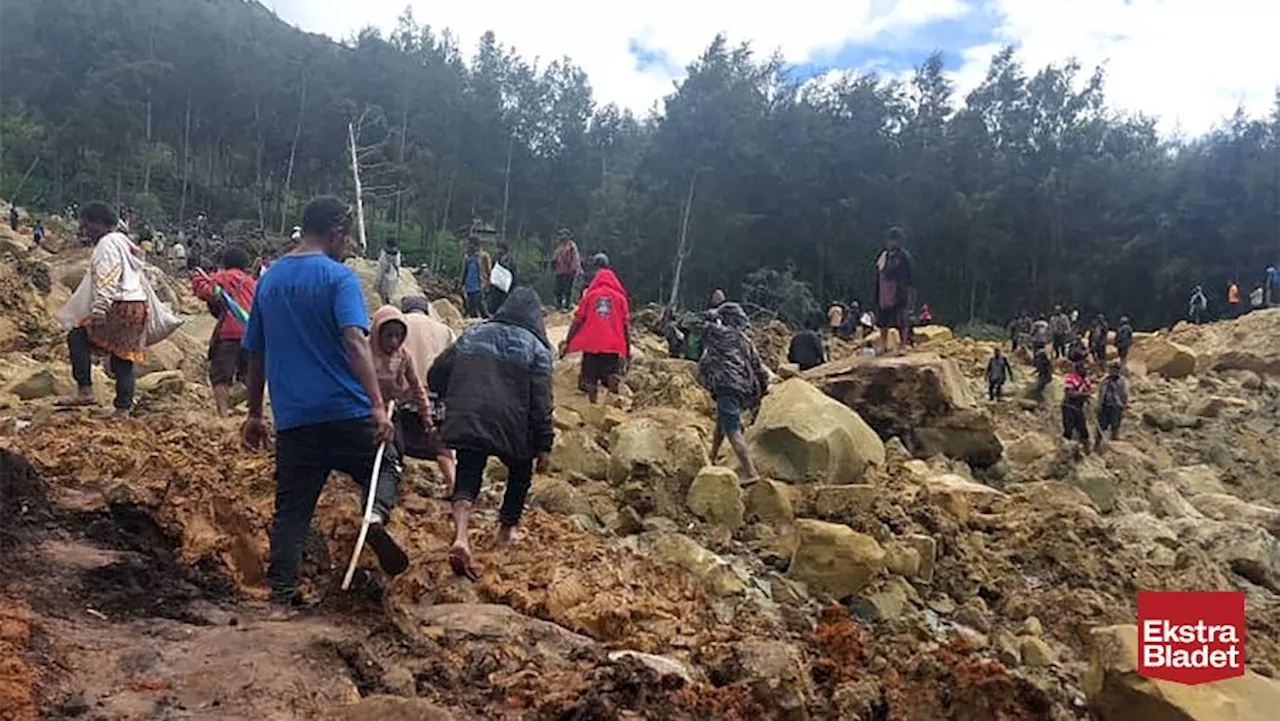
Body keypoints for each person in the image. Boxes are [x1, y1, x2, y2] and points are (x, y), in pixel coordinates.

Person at [240, 196, 408, 616]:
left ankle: (280, 600)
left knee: (292, 512)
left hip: (295, 419)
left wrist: (255, 414)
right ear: (335, 232)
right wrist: (376, 405)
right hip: (346, 410)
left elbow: (255, 355)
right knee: (386, 460)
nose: (347, 246)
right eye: (346, 238)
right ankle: (374, 516)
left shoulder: (270, 280)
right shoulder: (339, 279)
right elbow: (354, 340)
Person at [428, 287, 554, 580]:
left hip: (470, 416)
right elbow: (542, 400)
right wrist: (544, 443)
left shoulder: (474, 334)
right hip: (513, 425)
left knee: (469, 471)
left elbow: (437, 372)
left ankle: (461, 536)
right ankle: (506, 530)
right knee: (520, 473)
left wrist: (448, 399)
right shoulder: (538, 348)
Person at [54, 203, 148, 417]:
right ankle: (123, 409)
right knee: (122, 358)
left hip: (118, 305)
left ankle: (85, 390)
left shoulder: (107, 244)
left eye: (88, 226)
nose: (86, 231)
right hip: (137, 305)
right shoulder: (126, 243)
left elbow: (109, 275)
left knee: (77, 337)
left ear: (99, 224)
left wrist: (99, 308)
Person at [694, 302, 769, 484]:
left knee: (733, 430)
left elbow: (688, 321)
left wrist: (711, 314)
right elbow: (759, 368)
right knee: (722, 424)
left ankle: (750, 472)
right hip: (742, 387)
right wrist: (762, 392)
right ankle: (711, 458)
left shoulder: (717, 332)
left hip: (726, 385)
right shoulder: (745, 339)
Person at [398, 296, 457, 494]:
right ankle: (453, 486)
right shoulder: (444, 330)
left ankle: (393, 484)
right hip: (436, 398)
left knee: (395, 443)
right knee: (442, 449)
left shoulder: (398, 324)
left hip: (405, 396)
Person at [191, 246, 257, 417]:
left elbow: (206, 292)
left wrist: (197, 279)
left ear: (225, 262)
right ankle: (249, 411)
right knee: (247, 373)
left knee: (221, 376)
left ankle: (223, 414)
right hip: (250, 332)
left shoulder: (222, 277)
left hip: (228, 332)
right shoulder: (251, 282)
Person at [563, 254, 631, 404]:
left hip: (591, 344)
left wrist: (568, 342)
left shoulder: (590, 296)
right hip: (612, 345)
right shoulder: (620, 298)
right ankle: (612, 407)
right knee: (610, 375)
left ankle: (592, 405)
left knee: (588, 380)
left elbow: (577, 321)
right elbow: (626, 325)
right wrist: (627, 349)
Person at [875, 227, 915, 353]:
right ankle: (883, 345)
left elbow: (911, 273)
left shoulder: (904, 256)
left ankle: (903, 345)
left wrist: (908, 288)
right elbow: (880, 273)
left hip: (899, 291)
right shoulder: (884, 256)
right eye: (890, 240)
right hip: (884, 293)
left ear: (899, 241)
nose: (891, 243)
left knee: (901, 319)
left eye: (894, 240)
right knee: (883, 320)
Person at [1095, 361, 1128, 446]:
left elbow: (1124, 394)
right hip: (1105, 406)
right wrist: (1098, 405)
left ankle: (1114, 441)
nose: (1113, 372)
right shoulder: (1104, 380)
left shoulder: (1122, 381)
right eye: (1112, 369)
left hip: (1116, 406)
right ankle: (1097, 443)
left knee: (1115, 424)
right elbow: (1099, 393)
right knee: (1101, 426)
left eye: (1116, 370)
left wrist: (1124, 405)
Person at [1062, 362, 1093, 451]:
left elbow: (1089, 391)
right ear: (1078, 370)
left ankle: (1086, 450)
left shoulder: (1086, 380)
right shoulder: (1071, 378)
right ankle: (1065, 449)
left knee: (1083, 430)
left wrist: (1087, 395)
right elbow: (1069, 393)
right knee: (1068, 429)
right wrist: (1083, 395)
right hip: (1069, 407)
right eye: (1084, 369)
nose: (1086, 371)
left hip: (1079, 408)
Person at [460, 237, 492, 319]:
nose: (468, 246)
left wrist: (488, 283)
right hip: (469, 284)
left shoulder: (483, 256)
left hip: (479, 284)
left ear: (474, 245)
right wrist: (461, 283)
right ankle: (473, 318)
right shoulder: (467, 256)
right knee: (470, 304)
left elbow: (488, 271)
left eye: (469, 244)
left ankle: (486, 318)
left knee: (479, 303)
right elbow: (464, 271)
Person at [552, 228, 581, 312]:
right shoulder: (559, 246)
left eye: (563, 235)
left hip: (568, 271)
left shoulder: (571, 246)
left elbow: (576, 258)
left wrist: (575, 269)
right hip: (559, 271)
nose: (561, 236)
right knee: (558, 289)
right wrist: (553, 263)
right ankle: (558, 305)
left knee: (567, 289)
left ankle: (567, 305)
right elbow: (555, 256)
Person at [487, 242, 515, 315]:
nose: (498, 251)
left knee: (503, 303)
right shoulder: (496, 259)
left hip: (505, 288)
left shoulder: (509, 260)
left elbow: (512, 274)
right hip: (495, 287)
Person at [375, 239, 401, 306]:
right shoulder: (397, 254)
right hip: (393, 275)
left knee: (383, 296)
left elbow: (381, 269)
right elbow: (397, 265)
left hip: (385, 276)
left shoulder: (384, 254)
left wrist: (377, 283)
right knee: (389, 295)